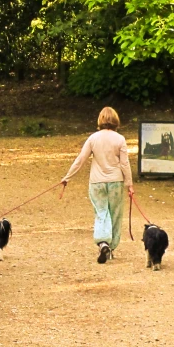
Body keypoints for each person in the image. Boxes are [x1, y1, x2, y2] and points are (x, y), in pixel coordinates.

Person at [61, 107, 134, 264]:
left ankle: (103, 243)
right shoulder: (120, 139)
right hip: (115, 181)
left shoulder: (93, 138)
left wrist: (68, 177)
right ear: (116, 120)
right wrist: (129, 184)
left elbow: (81, 159)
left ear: (100, 120)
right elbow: (124, 164)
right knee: (115, 214)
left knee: (101, 212)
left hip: (97, 182)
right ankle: (111, 248)